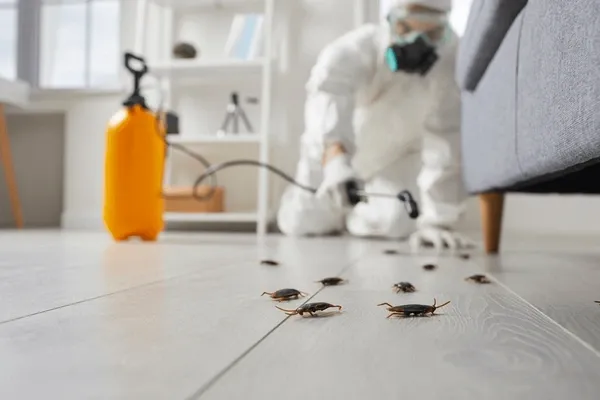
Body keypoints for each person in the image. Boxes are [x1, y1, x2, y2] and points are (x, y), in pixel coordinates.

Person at [277, 0, 473, 252]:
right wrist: (336, 160)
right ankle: (326, 206)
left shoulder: (450, 59)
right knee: (303, 222)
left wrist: (438, 221)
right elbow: (328, 95)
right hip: (334, 152)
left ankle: (352, 216)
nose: (418, 43)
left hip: (395, 159)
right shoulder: (355, 48)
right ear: (390, 21)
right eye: (407, 28)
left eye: (431, 33)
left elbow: (445, 139)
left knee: (397, 222)